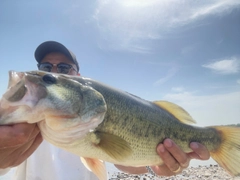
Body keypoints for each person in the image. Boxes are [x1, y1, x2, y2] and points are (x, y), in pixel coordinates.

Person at [0, 41, 210, 179]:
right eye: (45, 69)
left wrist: (154, 166)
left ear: (79, 78)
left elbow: (121, 161)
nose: (53, 72)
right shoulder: (19, 125)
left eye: (64, 69)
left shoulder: (94, 114)